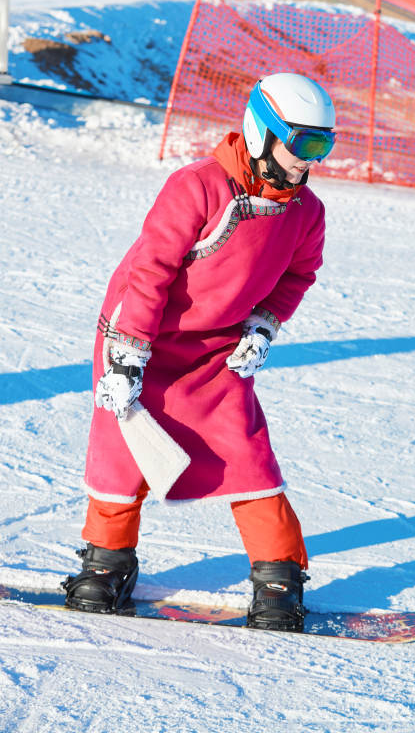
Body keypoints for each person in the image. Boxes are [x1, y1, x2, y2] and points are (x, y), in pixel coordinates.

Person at [62, 72, 336, 631]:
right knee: (121, 452)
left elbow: (298, 275)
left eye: (323, 146)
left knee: (246, 452)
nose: (310, 162)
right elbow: (150, 271)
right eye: (302, 144)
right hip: (142, 335)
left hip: (216, 351)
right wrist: (127, 353)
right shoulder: (198, 186)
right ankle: (108, 563)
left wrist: (263, 326)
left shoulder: (306, 212)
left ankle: (278, 575)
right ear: (261, 133)